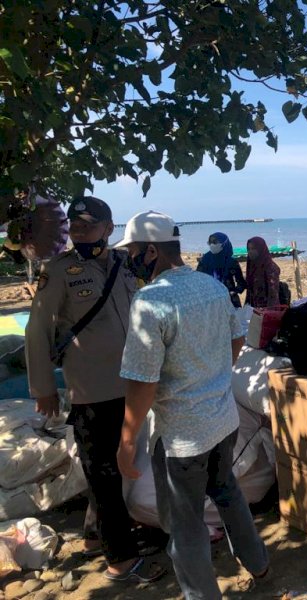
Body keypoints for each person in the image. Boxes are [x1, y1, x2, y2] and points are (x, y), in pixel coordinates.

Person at [114, 211, 270, 599]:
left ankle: (202, 594)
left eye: (133, 251)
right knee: (227, 491)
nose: (129, 259)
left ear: (151, 251)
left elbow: (142, 382)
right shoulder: (211, 287)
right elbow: (236, 342)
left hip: (184, 436)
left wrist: (128, 440)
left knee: (185, 524)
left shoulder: (150, 301)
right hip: (223, 421)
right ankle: (259, 564)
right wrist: (210, 377)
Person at [25, 197, 164, 583]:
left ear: (108, 227)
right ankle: (120, 561)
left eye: (89, 224)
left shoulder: (122, 266)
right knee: (103, 472)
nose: (80, 230)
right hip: (90, 389)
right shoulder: (59, 271)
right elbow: (37, 330)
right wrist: (42, 387)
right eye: (76, 224)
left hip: (131, 385)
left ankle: (93, 537)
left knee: (118, 469)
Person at [196, 232, 246, 307]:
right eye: (210, 242)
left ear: (224, 243)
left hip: (229, 300)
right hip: (209, 301)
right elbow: (198, 279)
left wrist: (233, 292)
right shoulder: (205, 260)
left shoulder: (231, 262)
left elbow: (241, 283)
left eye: (215, 242)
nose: (212, 244)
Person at [244, 236, 281, 308]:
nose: (250, 251)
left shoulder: (270, 267)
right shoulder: (252, 266)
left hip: (267, 310)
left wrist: (268, 312)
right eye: (249, 249)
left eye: (253, 249)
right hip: (254, 308)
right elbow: (249, 291)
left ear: (260, 249)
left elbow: (273, 294)